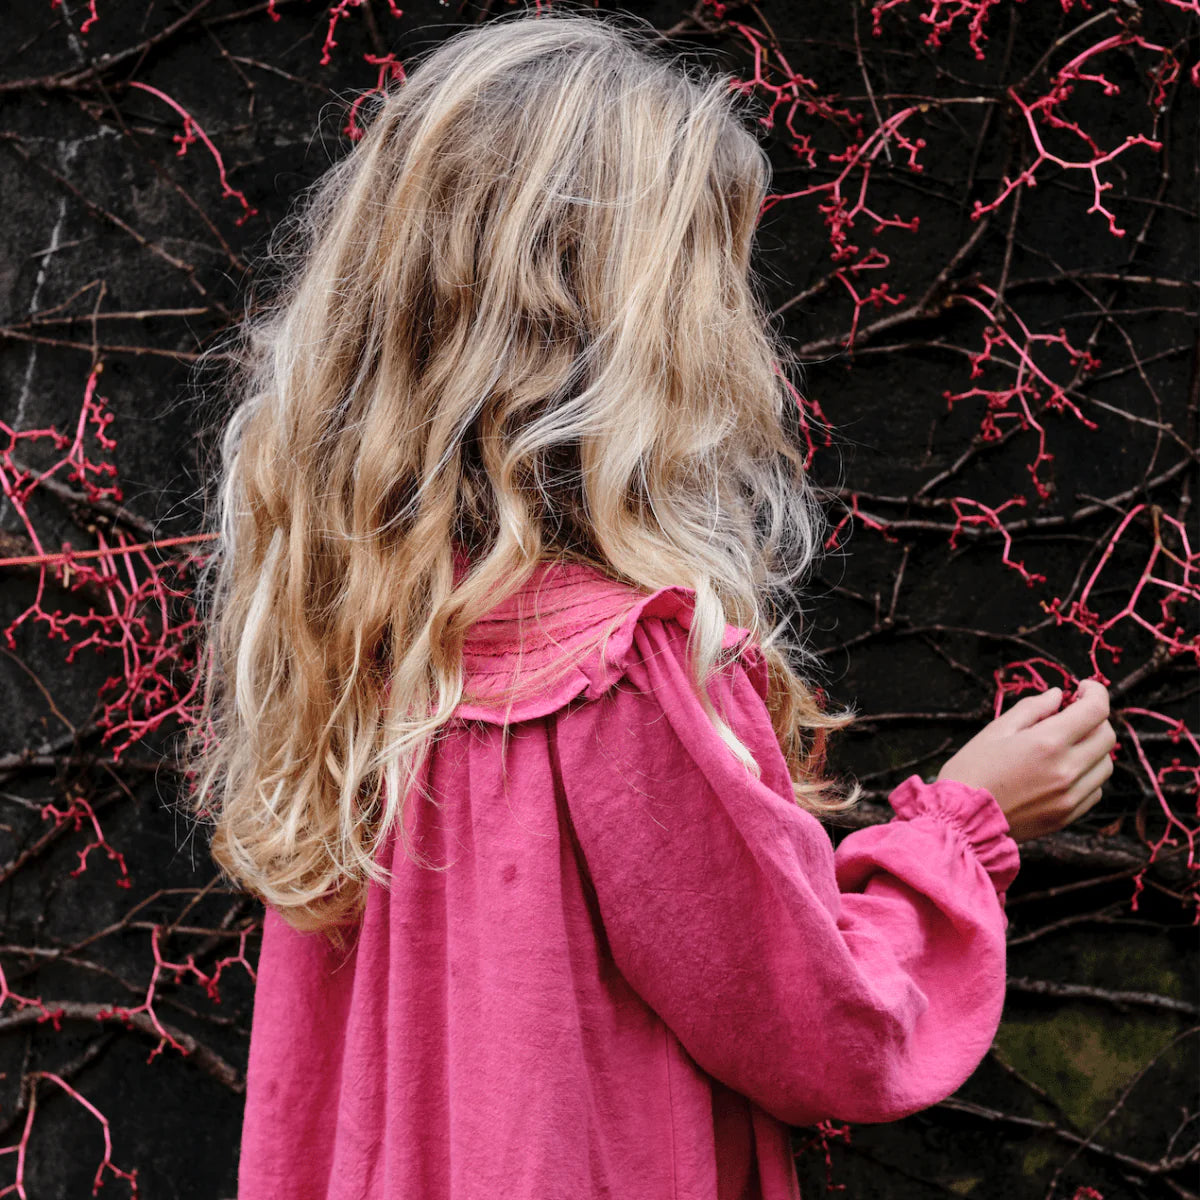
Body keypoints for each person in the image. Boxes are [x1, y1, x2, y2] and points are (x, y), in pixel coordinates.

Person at [185, 10, 1117, 1199]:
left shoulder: (353, 639)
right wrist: (965, 826)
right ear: (630, 334)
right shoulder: (617, 671)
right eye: (707, 278)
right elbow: (822, 1026)